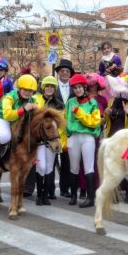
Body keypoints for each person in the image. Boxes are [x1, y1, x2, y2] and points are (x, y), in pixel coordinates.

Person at [0, 74, 38, 168]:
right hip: (1, 118)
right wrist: (24, 109)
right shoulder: (9, 97)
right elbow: (8, 115)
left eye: (30, 91)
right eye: (25, 90)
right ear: (20, 88)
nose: (27, 93)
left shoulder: (32, 100)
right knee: (6, 136)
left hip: (15, 120)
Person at [65, 74, 101, 208]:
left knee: (88, 167)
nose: (77, 90)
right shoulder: (70, 103)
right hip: (73, 136)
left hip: (87, 137)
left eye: (79, 87)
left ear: (84, 87)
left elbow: (95, 122)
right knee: (73, 167)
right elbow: (65, 120)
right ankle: (73, 195)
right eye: (75, 88)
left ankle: (90, 199)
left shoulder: (93, 102)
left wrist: (79, 113)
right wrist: (64, 139)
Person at [32, 76, 64, 205]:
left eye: (52, 86)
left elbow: (61, 124)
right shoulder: (35, 100)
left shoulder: (59, 104)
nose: (50, 88)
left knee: (50, 168)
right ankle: (39, 195)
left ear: (55, 88)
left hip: (52, 140)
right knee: (41, 166)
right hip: (39, 141)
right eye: (47, 86)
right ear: (43, 87)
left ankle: (45, 196)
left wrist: (55, 138)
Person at [54, 59, 76, 198]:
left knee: (67, 160)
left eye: (67, 71)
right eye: (62, 71)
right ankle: (49, 188)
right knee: (52, 159)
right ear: (58, 73)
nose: (64, 73)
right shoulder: (51, 87)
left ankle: (64, 188)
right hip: (54, 127)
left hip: (70, 128)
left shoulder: (75, 88)